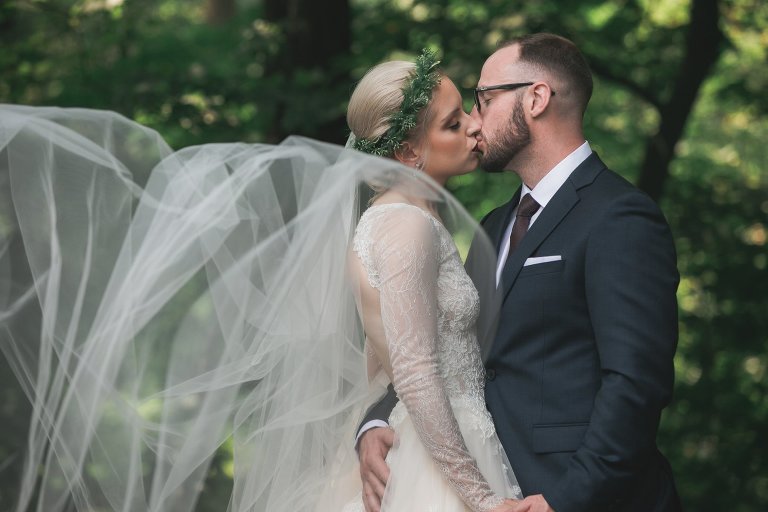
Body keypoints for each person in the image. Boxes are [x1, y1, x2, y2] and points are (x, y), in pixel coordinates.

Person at [0, 50, 520, 512]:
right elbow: (415, 371)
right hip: (437, 462)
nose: (476, 127)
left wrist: (372, 423)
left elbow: (375, 367)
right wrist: (480, 498)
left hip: (430, 441)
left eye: (468, 112)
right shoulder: (405, 226)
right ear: (409, 152)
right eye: (454, 123)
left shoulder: (397, 220)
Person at [357, 33, 683, 512]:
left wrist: (564, 500)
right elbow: (446, 349)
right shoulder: (493, 225)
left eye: (484, 99)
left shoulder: (620, 217)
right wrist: (376, 422)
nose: (474, 120)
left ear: (536, 98)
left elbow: (635, 382)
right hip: (491, 482)